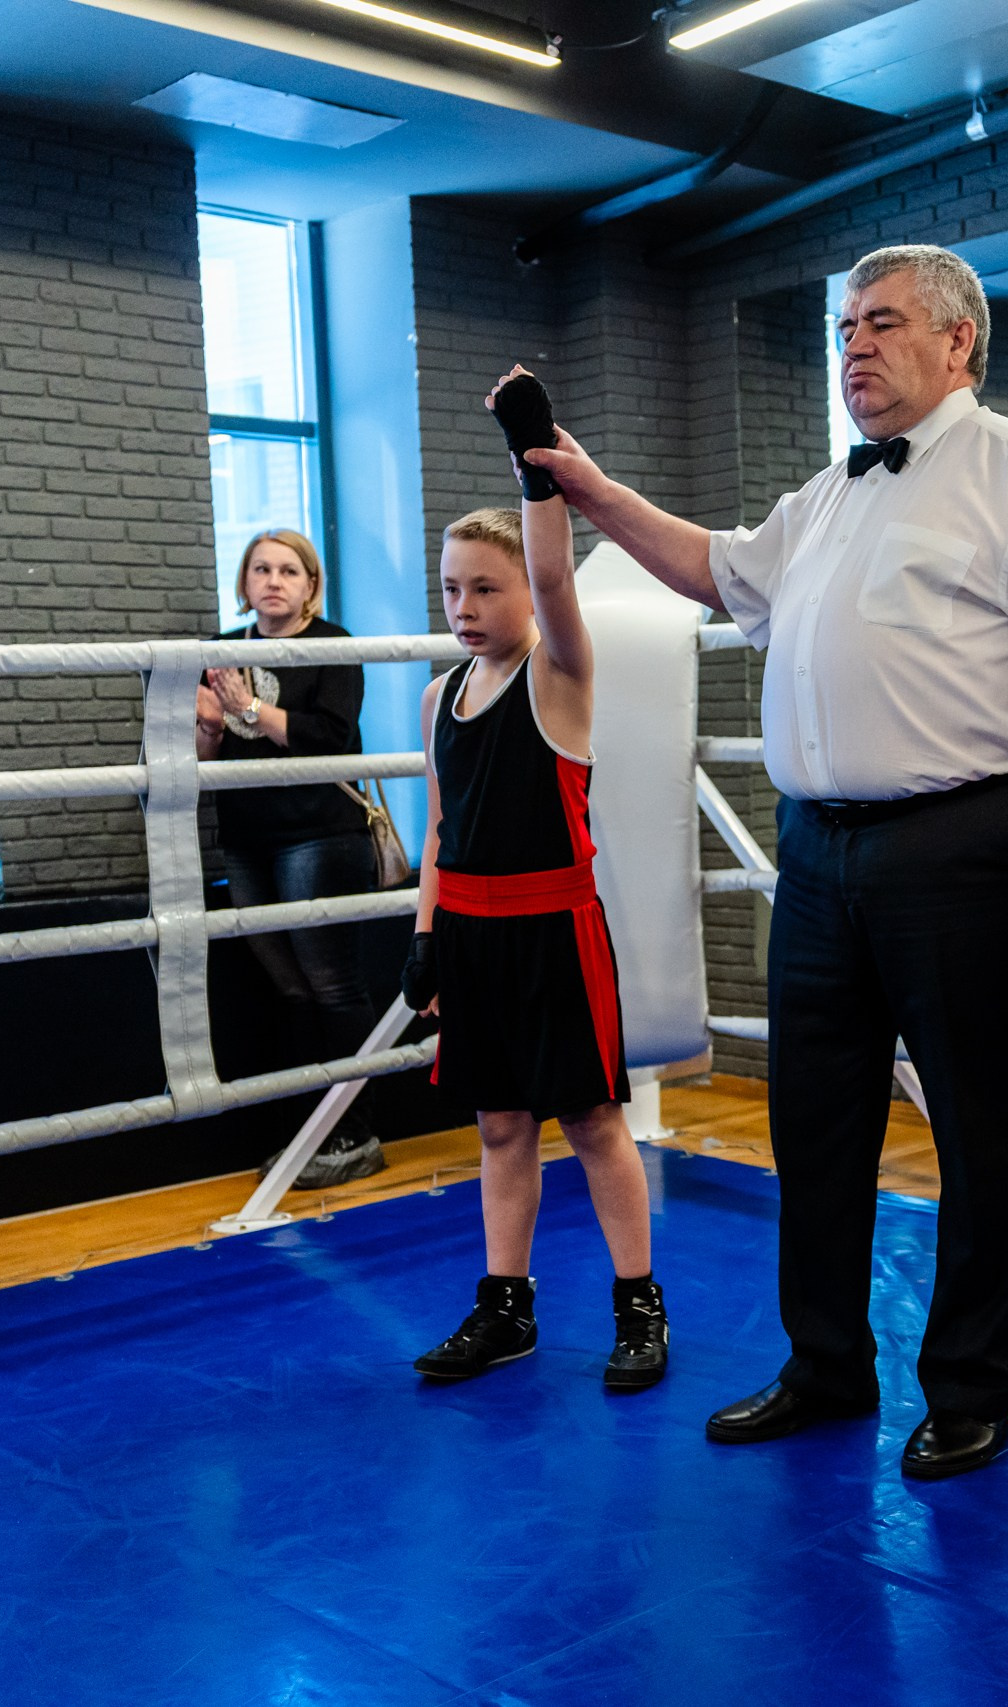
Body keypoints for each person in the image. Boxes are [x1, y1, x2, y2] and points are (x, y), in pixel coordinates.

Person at [523, 244, 1008, 1480]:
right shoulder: (830, 492)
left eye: (882, 323)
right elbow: (717, 569)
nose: (854, 348)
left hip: (965, 836)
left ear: (959, 342)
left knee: (975, 1126)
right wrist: (588, 488)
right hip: (819, 850)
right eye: (843, 329)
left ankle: (972, 1384)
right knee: (812, 1124)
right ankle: (825, 1365)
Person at [404, 378, 666, 1392]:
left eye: (486, 588)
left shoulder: (557, 672)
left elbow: (558, 580)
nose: (466, 608)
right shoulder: (435, 697)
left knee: (592, 1121)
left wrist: (533, 463)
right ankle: (504, 1307)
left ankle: (638, 1305)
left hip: (556, 929)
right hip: (469, 937)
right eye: (452, 590)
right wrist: (425, 936)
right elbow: (436, 830)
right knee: (500, 1124)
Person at [196, 529, 388, 1189]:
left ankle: (358, 1130)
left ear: (310, 584)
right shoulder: (219, 651)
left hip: (318, 832)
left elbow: (329, 737)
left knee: (332, 984)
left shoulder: (333, 644)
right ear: (244, 582)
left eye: (288, 570)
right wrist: (213, 723)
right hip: (247, 838)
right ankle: (316, 1126)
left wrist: (249, 705)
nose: (273, 581)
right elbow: (203, 760)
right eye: (261, 569)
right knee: (290, 987)